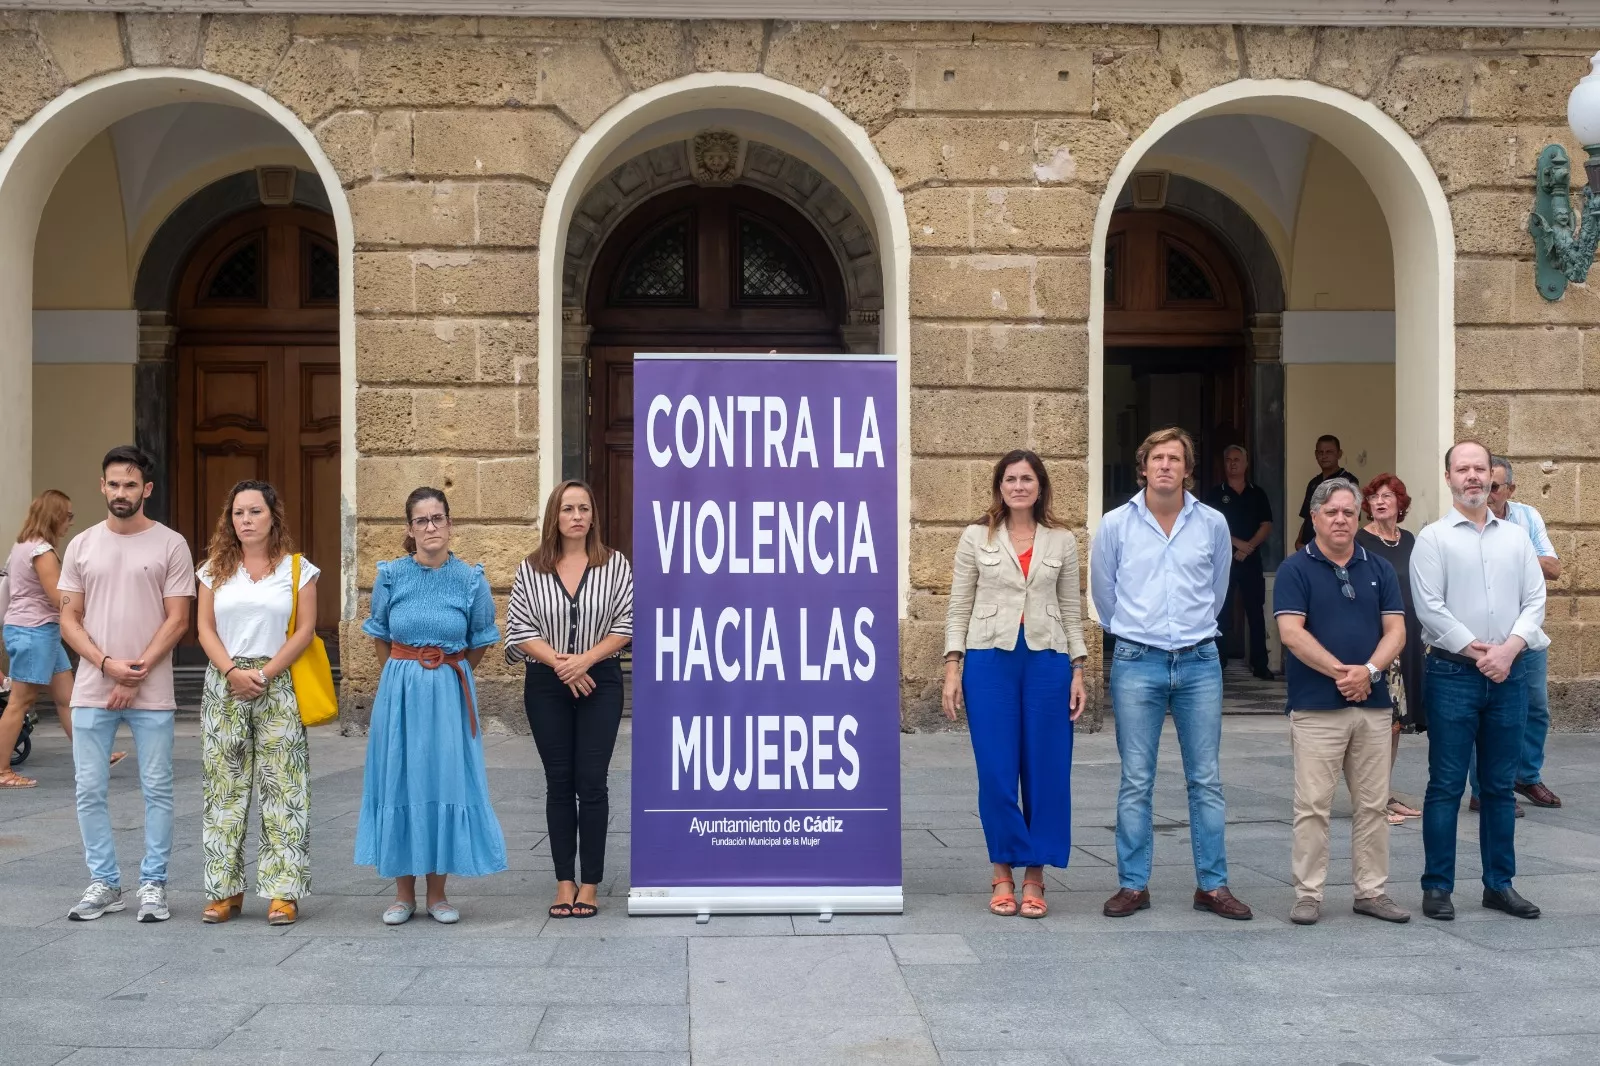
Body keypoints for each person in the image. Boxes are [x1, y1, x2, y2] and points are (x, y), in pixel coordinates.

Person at [1091, 427, 1252, 921]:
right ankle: (1133, 885)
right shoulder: (1116, 524)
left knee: (1206, 779)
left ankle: (1213, 885)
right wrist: (1136, 632)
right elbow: (1104, 593)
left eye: (1175, 458)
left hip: (1200, 661)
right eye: (1157, 458)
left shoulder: (1213, 524)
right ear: (1143, 467)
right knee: (1136, 779)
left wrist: (1189, 630)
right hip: (1138, 661)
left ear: (1187, 468)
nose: (1165, 465)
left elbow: (1218, 589)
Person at [943, 450, 1088, 919]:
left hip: (1048, 661)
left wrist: (1079, 669)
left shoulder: (1062, 540)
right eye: (1011, 479)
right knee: (997, 771)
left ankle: (1035, 874)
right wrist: (953, 667)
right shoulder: (975, 537)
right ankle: (1002, 868)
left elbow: (1071, 609)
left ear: (1040, 486)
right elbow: (958, 605)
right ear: (999, 486)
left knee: (1047, 772)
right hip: (989, 661)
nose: (1019, 485)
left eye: (1027, 478)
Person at [57, 446, 195, 922]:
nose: (121, 492)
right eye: (113, 484)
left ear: (146, 490)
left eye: (130, 485)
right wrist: (106, 663)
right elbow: (69, 619)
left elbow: (178, 620)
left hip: (151, 692)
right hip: (93, 687)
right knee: (88, 788)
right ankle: (105, 882)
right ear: (102, 486)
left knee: (157, 787)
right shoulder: (81, 545)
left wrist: (133, 675)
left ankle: (152, 884)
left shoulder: (170, 544)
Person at [356, 487, 505, 925]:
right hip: (399, 693)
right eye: (421, 520)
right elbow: (380, 634)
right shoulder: (390, 576)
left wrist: (447, 671)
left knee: (442, 781)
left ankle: (437, 895)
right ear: (409, 528)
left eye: (437, 518)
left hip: (450, 693)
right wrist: (400, 676)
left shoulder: (471, 579)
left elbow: (480, 640)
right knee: (399, 779)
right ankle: (403, 895)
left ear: (450, 523)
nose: (431, 527)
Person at [1412, 440, 1546, 921]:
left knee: (1497, 787)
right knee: (1446, 784)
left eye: (1480, 468)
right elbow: (1429, 607)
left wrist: (1509, 650)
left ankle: (1499, 885)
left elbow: (1535, 601)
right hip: (1452, 674)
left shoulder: (1516, 538)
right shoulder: (1433, 539)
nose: (1472, 476)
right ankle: (1437, 887)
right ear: (1448, 477)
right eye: (1462, 468)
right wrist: (1476, 650)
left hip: (1509, 674)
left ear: (1493, 476)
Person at [1274, 478, 1410, 925]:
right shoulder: (1296, 569)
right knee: (1313, 806)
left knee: (1373, 805)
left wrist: (1367, 673)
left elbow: (1396, 631)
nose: (1340, 519)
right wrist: (1341, 673)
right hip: (1316, 707)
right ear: (1314, 517)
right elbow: (1292, 633)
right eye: (1331, 512)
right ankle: (1308, 894)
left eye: (1348, 512)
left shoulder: (1380, 568)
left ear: (1359, 517)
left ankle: (1371, 891)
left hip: (1371, 707)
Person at [505, 480, 633, 919]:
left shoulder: (615, 565)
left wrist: (585, 661)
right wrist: (563, 665)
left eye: (583, 508)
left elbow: (626, 623)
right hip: (546, 683)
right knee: (559, 782)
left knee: (592, 782)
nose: (576, 516)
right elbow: (519, 629)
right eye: (567, 509)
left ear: (593, 515)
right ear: (554, 518)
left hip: (600, 682)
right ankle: (564, 882)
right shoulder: (531, 568)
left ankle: (591, 883)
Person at [195, 480, 318, 925]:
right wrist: (231, 672)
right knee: (223, 789)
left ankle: (283, 891)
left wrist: (264, 674)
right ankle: (224, 890)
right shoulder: (213, 570)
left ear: (273, 517)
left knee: (283, 789)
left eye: (254, 512)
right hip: (224, 683)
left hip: (277, 681)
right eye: (238, 513)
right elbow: (205, 629)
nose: (245, 520)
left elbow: (305, 630)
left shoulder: (299, 570)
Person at [2, 491, 126, 787]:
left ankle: (93, 756)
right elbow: (59, 597)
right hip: (35, 631)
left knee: (68, 700)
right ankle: (3, 771)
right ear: (54, 515)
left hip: (37, 630)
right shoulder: (41, 551)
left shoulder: (22, 545)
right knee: (21, 702)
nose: (70, 521)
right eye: (68, 515)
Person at [1465, 457, 1561, 813]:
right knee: (1483, 712)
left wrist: (1514, 553)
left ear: (1510, 490)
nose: (1487, 494)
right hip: (1484, 636)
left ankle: (1526, 776)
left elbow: (1553, 567)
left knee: (1536, 709)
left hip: (1527, 635)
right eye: (1484, 486)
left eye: (1495, 488)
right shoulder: (1466, 520)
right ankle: (1483, 788)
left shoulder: (1527, 518)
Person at [1355, 474, 1427, 826]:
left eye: (1388, 496)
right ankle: (1371, 801)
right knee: (1379, 721)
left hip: (1408, 636)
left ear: (1401, 503)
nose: (1380, 501)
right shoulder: (1358, 540)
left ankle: (1382, 795)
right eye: (1373, 497)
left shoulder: (1410, 540)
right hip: (1376, 639)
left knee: (1395, 724)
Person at [1203, 445, 1274, 680]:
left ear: (1246, 464)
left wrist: (1249, 546)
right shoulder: (1215, 494)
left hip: (1251, 562)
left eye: (1237, 459)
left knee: (1255, 612)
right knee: (1220, 611)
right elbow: (1211, 526)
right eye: (1228, 460)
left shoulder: (1258, 493)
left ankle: (1260, 664)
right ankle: (1217, 661)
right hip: (1224, 561)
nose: (1232, 463)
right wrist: (1237, 544)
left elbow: (1266, 525)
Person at [1294, 435, 1360, 551]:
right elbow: (1307, 516)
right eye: (1320, 452)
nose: (1324, 456)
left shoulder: (1349, 481)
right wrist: (1299, 541)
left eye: (1329, 452)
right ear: (1315, 454)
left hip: (1333, 549)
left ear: (1339, 454)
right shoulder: (1313, 483)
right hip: (1308, 547)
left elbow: (1352, 517)